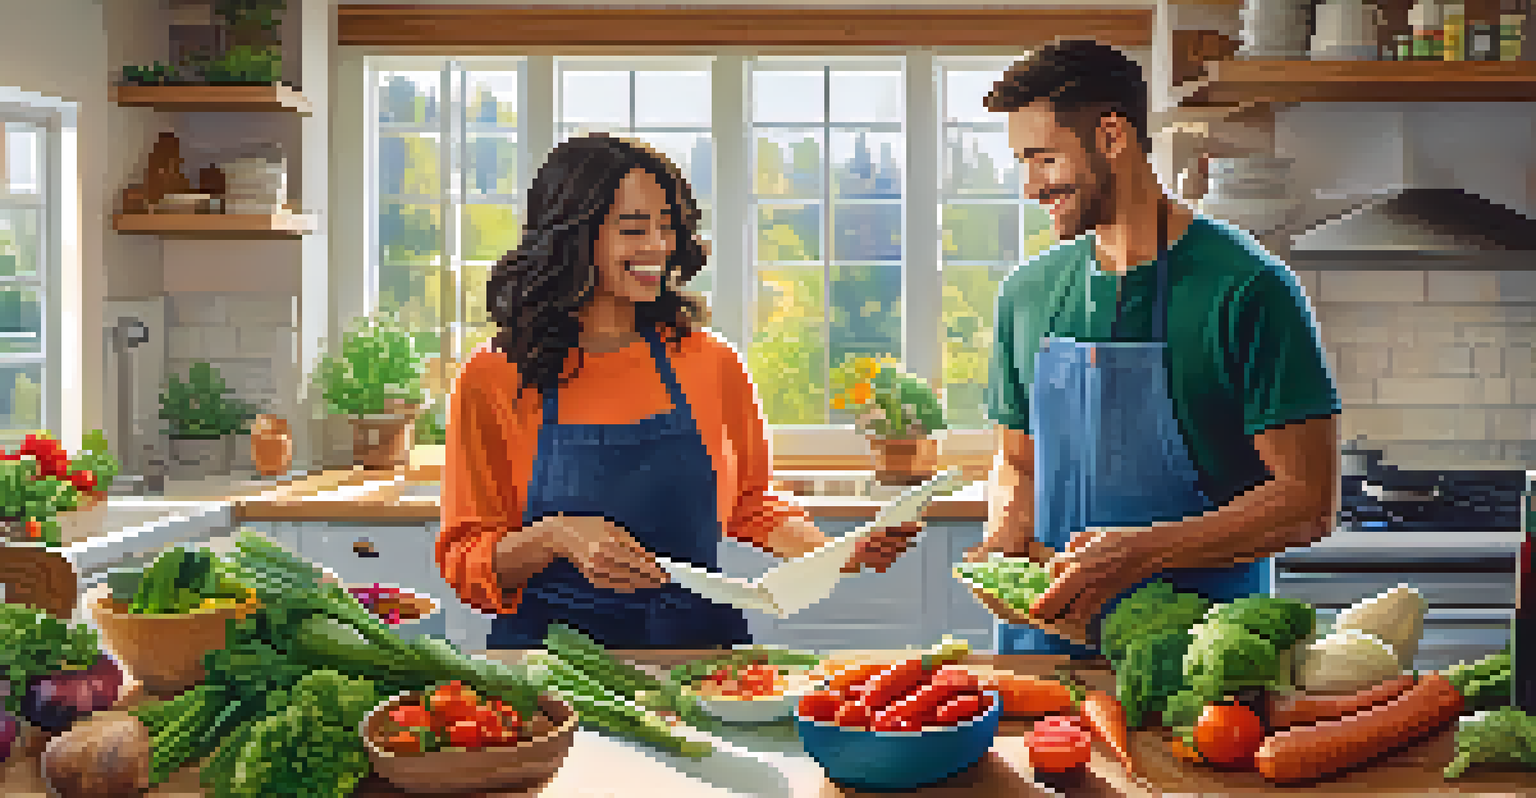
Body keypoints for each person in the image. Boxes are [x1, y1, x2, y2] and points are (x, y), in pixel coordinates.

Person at [439, 133, 922, 650]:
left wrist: (833, 554)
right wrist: (557, 537)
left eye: (667, 227)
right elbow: (464, 557)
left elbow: (750, 502)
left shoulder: (707, 361)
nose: (659, 247)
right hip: (550, 669)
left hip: (699, 658)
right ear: (573, 236)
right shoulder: (497, 375)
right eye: (633, 228)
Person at [967, 41, 1342, 656]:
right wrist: (1005, 531)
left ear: (1112, 136)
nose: (1031, 186)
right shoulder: (1026, 293)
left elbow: (1306, 501)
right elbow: (1017, 462)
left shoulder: (1249, 288)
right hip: (1045, 652)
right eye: (1022, 163)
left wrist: (1142, 552)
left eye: (1044, 159)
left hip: (1205, 662)